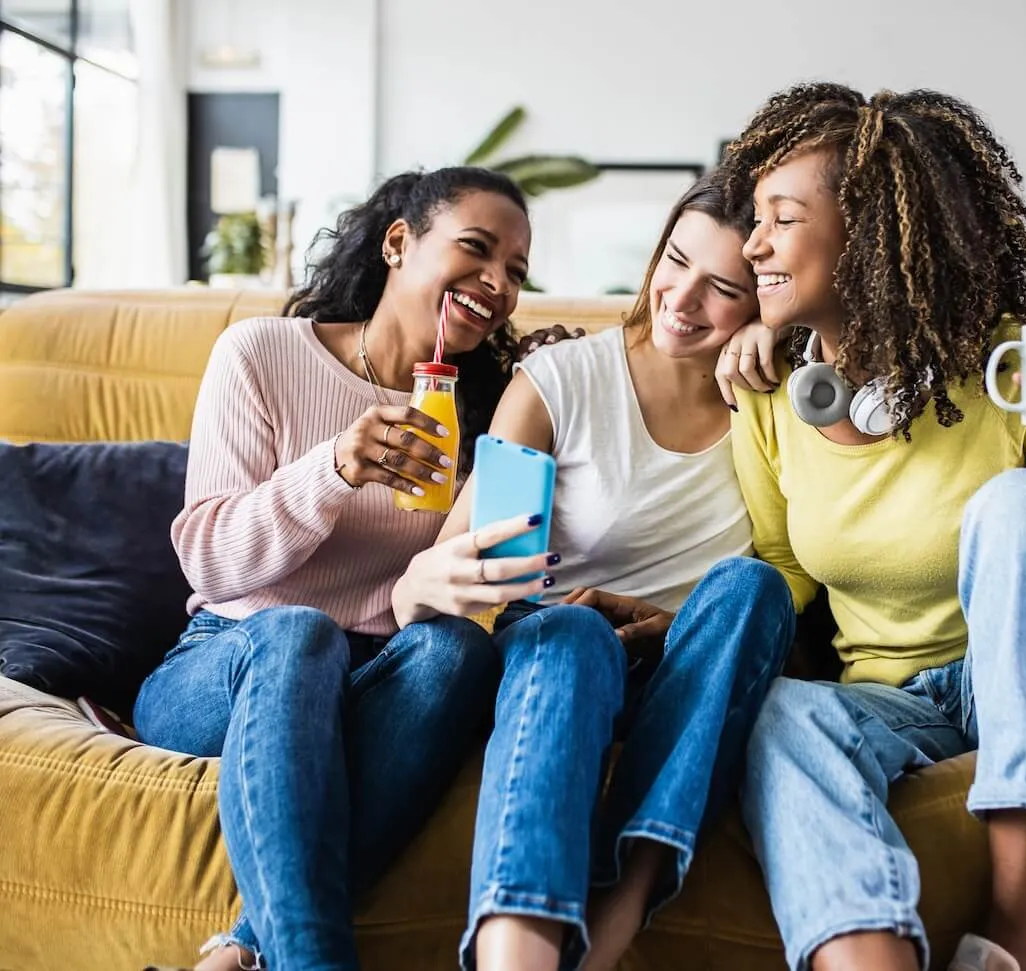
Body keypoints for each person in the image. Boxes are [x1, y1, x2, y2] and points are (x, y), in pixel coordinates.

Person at [717, 83, 1026, 971]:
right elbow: (785, 569)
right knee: (782, 713)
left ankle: (1017, 937)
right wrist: (687, 626)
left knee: (1020, 503)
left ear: (867, 234)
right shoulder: (771, 396)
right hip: (896, 701)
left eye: (781, 217)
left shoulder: (1014, 370)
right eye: (754, 221)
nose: (754, 244)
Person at [135, 166, 554, 971]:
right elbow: (212, 561)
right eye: (476, 249)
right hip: (229, 662)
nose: (497, 283)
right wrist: (333, 465)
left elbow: (481, 583)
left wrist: (549, 393)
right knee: (298, 633)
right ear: (399, 243)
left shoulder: (486, 406)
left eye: (516, 273)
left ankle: (247, 952)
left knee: (456, 652)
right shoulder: (260, 353)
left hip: (374, 680)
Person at [391, 173, 796, 971]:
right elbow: (462, 562)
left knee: (755, 589)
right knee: (573, 631)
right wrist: (425, 584)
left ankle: (614, 923)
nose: (680, 299)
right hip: (554, 659)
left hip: (688, 675)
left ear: (763, 302)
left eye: (723, 289)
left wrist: (673, 627)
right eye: (674, 261)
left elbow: (787, 596)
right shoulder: (563, 379)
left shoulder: (777, 408)